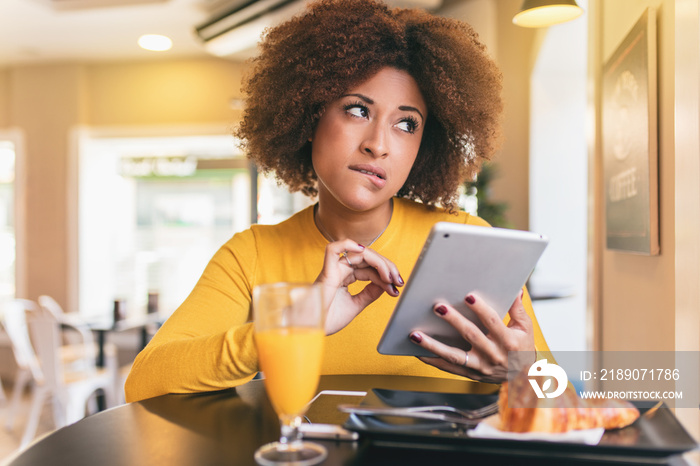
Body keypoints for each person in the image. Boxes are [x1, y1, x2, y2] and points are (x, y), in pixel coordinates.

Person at [124, 0, 550, 402]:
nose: (378, 145)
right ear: (310, 118)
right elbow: (144, 382)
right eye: (358, 110)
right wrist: (296, 323)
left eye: (406, 124)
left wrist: (523, 371)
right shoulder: (251, 255)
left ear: (424, 146)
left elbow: (555, 397)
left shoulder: (469, 241)